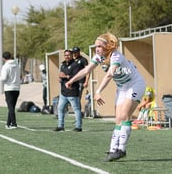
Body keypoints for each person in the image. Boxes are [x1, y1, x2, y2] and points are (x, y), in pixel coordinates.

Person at [65, 33, 146, 162]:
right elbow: (86, 71)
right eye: (96, 46)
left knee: (125, 115)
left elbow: (109, 74)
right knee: (118, 119)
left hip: (135, 85)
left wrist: (98, 91)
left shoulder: (116, 56)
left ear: (107, 47)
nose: (97, 49)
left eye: (99, 46)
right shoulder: (98, 57)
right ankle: (113, 149)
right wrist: (71, 81)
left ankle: (121, 150)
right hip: (122, 87)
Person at [54, 49, 83, 132]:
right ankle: (60, 126)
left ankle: (78, 126)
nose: (67, 57)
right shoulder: (63, 65)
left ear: (72, 55)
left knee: (76, 109)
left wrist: (66, 76)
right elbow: (61, 75)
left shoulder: (75, 65)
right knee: (60, 108)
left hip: (72, 91)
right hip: (63, 92)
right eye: (65, 55)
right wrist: (60, 77)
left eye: (68, 55)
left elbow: (76, 76)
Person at [0, 51, 21, 129]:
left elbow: (4, 78)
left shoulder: (5, 66)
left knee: (10, 107)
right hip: (17, 88)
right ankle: (8, 123)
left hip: (9, 88)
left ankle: (14, 124)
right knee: (12, 106)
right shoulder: (17, 65)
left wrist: (0, 78)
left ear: (3, 58)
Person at [71, 46, 89, 116]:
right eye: (73, 53)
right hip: (73, 82)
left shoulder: (83, 60)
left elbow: (87, 71)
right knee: (73, 97)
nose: (74, 54)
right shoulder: (73, 60)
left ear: (79, 52)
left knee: (78, 97)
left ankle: (78, 112)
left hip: (80, 81)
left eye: (76, 52)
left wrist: (86, 81)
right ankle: (77, 111)